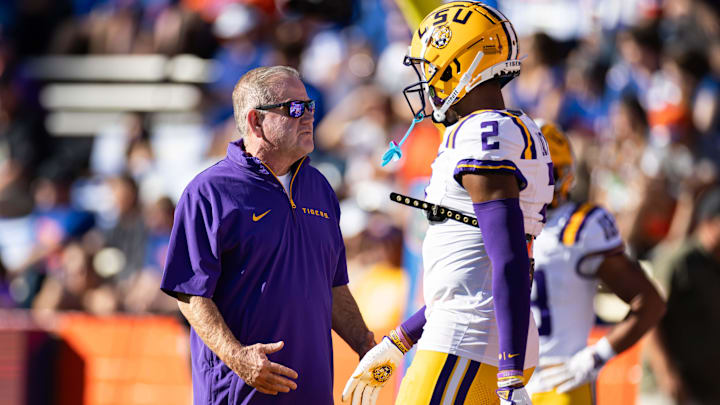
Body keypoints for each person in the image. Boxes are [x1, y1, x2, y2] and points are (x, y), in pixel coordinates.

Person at [345, 3, 554, 404]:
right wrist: (399, 340)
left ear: (458, 67)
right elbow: (470, 272)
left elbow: (507, 259)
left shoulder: (481, 132)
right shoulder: (505, 129)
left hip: (467, 346)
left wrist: (510, 376)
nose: (426, 83)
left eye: (430, 70)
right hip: (472, 337)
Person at [160, 65, 375, 405]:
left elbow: (333, 285)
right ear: (255, 121)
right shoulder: (209, 192)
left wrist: (366, 346)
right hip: (240, 394)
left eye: (311, 107)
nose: (308, 117)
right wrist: (239, 359)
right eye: (294, 109)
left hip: (313, 394)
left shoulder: (319, 188)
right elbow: (189, 295)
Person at [645, 186, 720, 405]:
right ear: (708, 221)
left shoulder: (715, 264)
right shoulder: (678, 261)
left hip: (706, 389)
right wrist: (666, 373)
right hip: (669, 391)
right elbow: (650, 317)